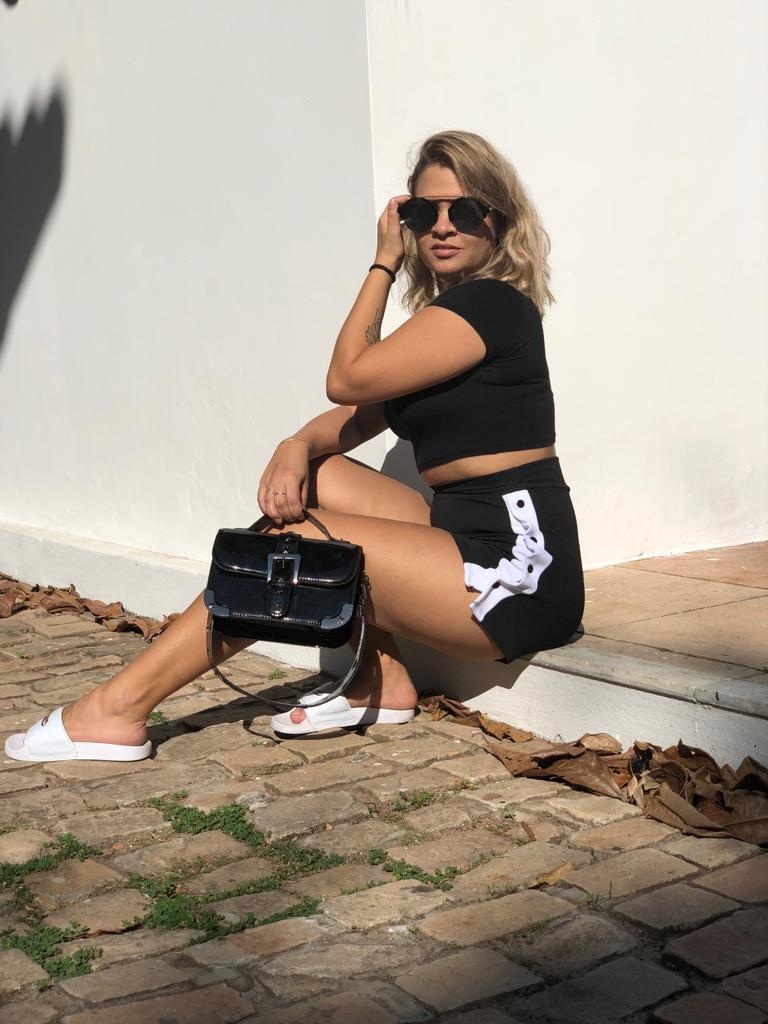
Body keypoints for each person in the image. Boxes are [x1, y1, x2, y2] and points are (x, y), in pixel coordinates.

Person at [6, 129, 584, 761]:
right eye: (424, 212)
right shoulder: (443, 326)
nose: (442, 227)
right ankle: (380, 680)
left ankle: (118, 708)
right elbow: (354, 415)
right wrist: (296, 444)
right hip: (463, 533)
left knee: (298, 545)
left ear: (499, 219)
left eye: (465, 210)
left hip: (520, 570)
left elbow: (347, 378)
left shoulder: (490, 305)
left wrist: (383, 263)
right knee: (322, 476)